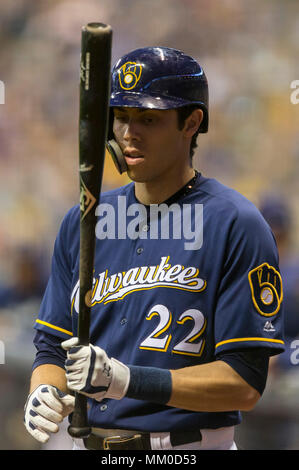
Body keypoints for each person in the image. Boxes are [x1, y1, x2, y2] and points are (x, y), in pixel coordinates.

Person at [24, 47, 285, 451]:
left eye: (149, 118)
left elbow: (244, 383)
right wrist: (43, 391)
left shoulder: (236, 223)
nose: (130, 133)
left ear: (192, 122)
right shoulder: (85, 220)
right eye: (122, 117)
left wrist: (125, 380)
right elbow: (53, 349)